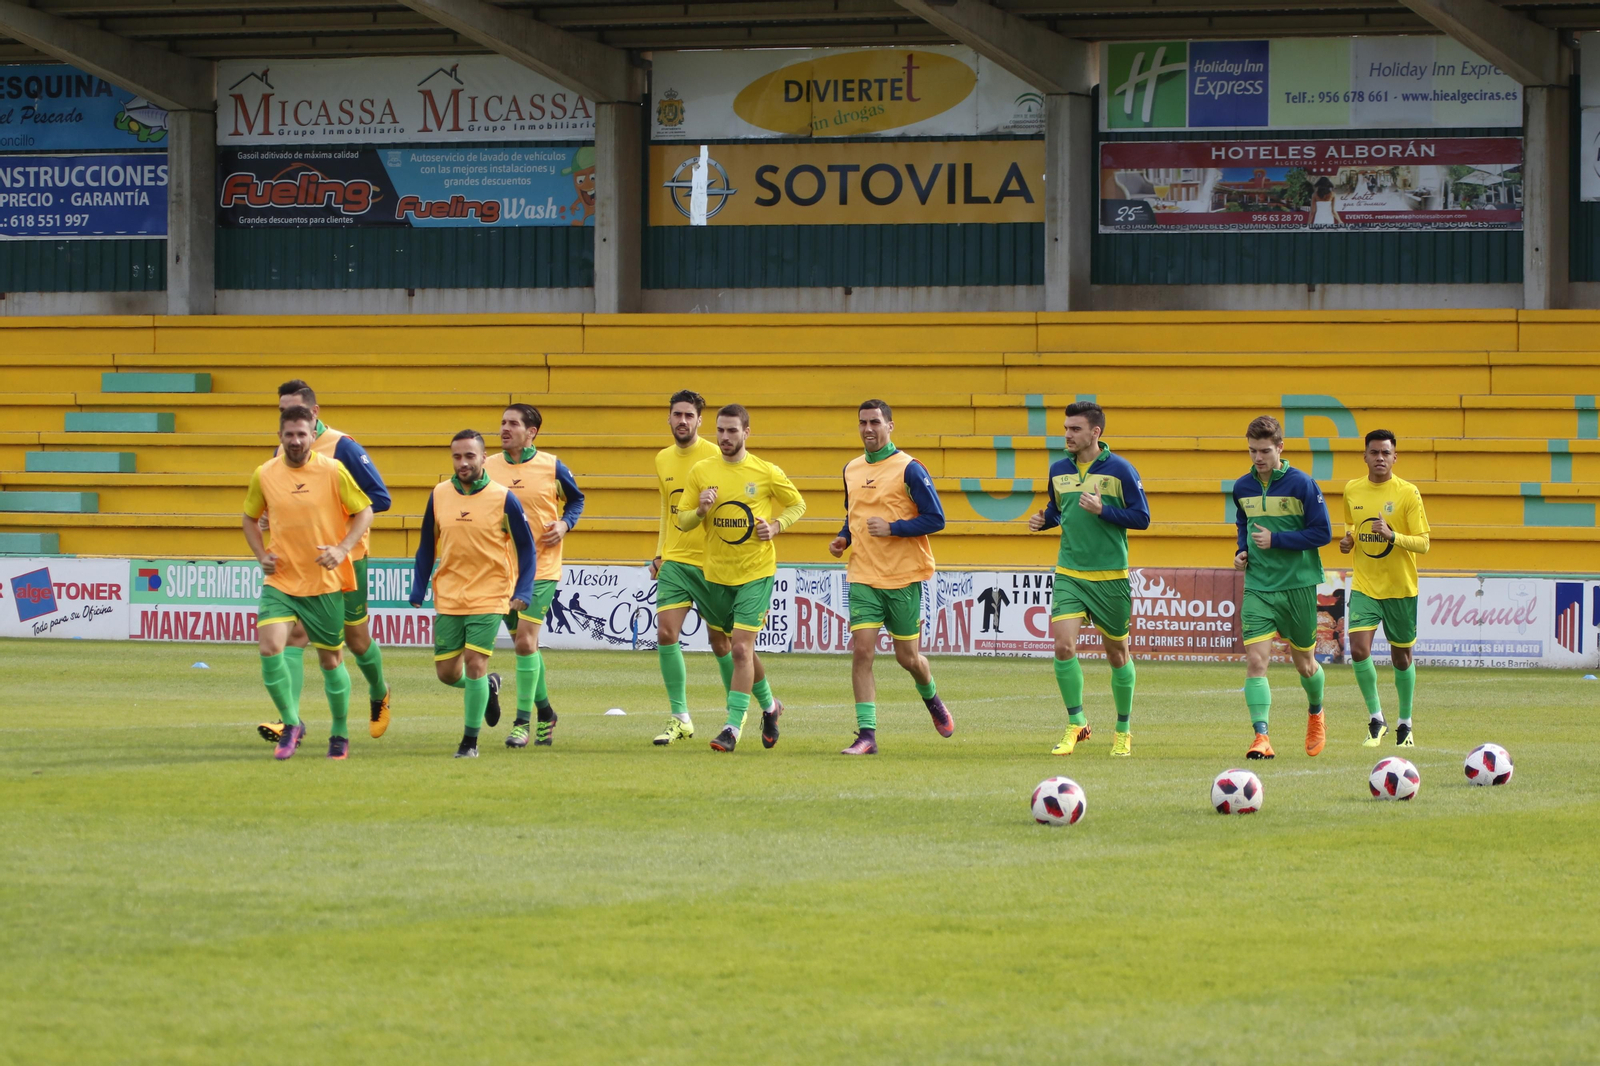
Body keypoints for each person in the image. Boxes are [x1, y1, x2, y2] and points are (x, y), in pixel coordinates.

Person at [257, 380, 393, 745]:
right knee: (294, 637)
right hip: (298, 564)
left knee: (357, 640)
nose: (289, 419)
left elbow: (379, 498)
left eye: (295, 410)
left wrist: (337, 531)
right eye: (282, 412)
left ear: (314, 412)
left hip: (346, 559)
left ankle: (379, 692)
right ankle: (291, 722)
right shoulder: (283, 448)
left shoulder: (342, 447)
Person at [649, 389, 780, 747]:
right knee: (665, 633)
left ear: (700, 421)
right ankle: (681, 718)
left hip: (712, 565)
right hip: (676, 560)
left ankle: (759, 706)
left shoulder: (716, 455)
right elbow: (668, 510)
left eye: (689, 416)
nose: (682, 421)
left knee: (726, 645)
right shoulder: (662, 459)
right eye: (677, 415)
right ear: (669, 417)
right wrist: (659, 551)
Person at [242, 405, 374, 761]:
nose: (296, 441)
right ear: (280, 436)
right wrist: (260, 555)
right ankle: (290, 723)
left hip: (324, 581)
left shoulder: (333, 470)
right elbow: (249, 517)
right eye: (289, 434)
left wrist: (343, 548)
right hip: (281, 580)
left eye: (302, 434)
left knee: (331, 661)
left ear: (313, 435)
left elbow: (366, 510)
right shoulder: (265, 474)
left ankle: (340, 733)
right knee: (270, 648)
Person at [678, 404, 806, 753]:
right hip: (716, 576)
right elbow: (683, 521)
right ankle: (770, 707)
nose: (724, 437)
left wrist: (777, 525)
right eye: (720, 430)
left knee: (739, 648)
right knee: (732, 647)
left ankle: (731, 728)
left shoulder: (764, 472)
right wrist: (701, 510)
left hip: (756, 572)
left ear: (746, 432)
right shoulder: (702, 471)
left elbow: (797, 504)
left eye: (732, 431)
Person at [828, 399, 953, 754]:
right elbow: (854, 516)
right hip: (863, 575)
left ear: (890, 426)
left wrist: (894, 528)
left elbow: (936, 519)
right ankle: (867, 735)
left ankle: (931, 697)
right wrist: (844, 538)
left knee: (907, 658)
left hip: (903, 578)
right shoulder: (851, 469)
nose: (868, 429)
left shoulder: (909, 468)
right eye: (862, 423)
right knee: (862, 651)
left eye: (875, 422)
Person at [1026, 401, 1150, 757]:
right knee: (1063, 646)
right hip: (1069, 572)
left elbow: (1142, 518)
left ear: (1095, 433)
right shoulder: (1057, 469)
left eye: (1075, 429)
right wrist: (1044, 520)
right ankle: (1076, 723)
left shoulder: (1121, 470)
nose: (1067, 434)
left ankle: (1123, 730)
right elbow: (1058, 509)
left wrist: (1103, 510)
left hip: (1110, 576)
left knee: (1117, 655)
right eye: (1066, 428)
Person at [409, 430, 537, 758]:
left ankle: (469, 742)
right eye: (457, 456)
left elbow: (526, 548)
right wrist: (418, 586)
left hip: (490, 594)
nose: (463, 463)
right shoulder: (438, 494)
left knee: (475, 661)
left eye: (470, 456)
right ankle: (488, 688)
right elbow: (426, 546)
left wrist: (523, 589)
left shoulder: (503, 497)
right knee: (448, 673)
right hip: (449, 593)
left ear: (483, 458)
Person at [1232, 415, 1332, 760]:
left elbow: (1322, 533)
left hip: (1298, 586)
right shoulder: (1242, 487)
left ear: (1280, 448)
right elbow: (1243, 521)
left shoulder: (1302, 484)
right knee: (1257, 663)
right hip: (1258, 585)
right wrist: (1241, 549)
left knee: (1305, 664)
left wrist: (1277, 539)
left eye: (1263, 451)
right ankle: (1262, 738)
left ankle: (1316, 714)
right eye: (1251, 451)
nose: (1257, 458)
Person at [484, 403, 584, 749]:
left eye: (513, 423)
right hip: (503, 568)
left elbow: (576, 501)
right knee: (525, 645)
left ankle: (520, 723)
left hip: (542, 567)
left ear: (532, 432)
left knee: (526, 640)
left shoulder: (551, 465)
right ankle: (547, 711)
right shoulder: (488, 467)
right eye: (502, 422)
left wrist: (564, 523)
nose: (505, 428)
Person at [1340, 430, 1430, 747]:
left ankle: (1405, 724)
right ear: (1364, 456)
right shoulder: (1352, 489)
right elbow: (1352, 524)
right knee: (1360, 649)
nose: (1380, 457)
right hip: (1366, 585)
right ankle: (1376, 719)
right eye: (1374, 452)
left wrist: (1392, 536)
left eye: (1386, 453)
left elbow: (1424, 543)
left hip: (1400, 588)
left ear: (1395, 457)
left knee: (1402, 658)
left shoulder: (1408, 493)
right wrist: (1348, 539)